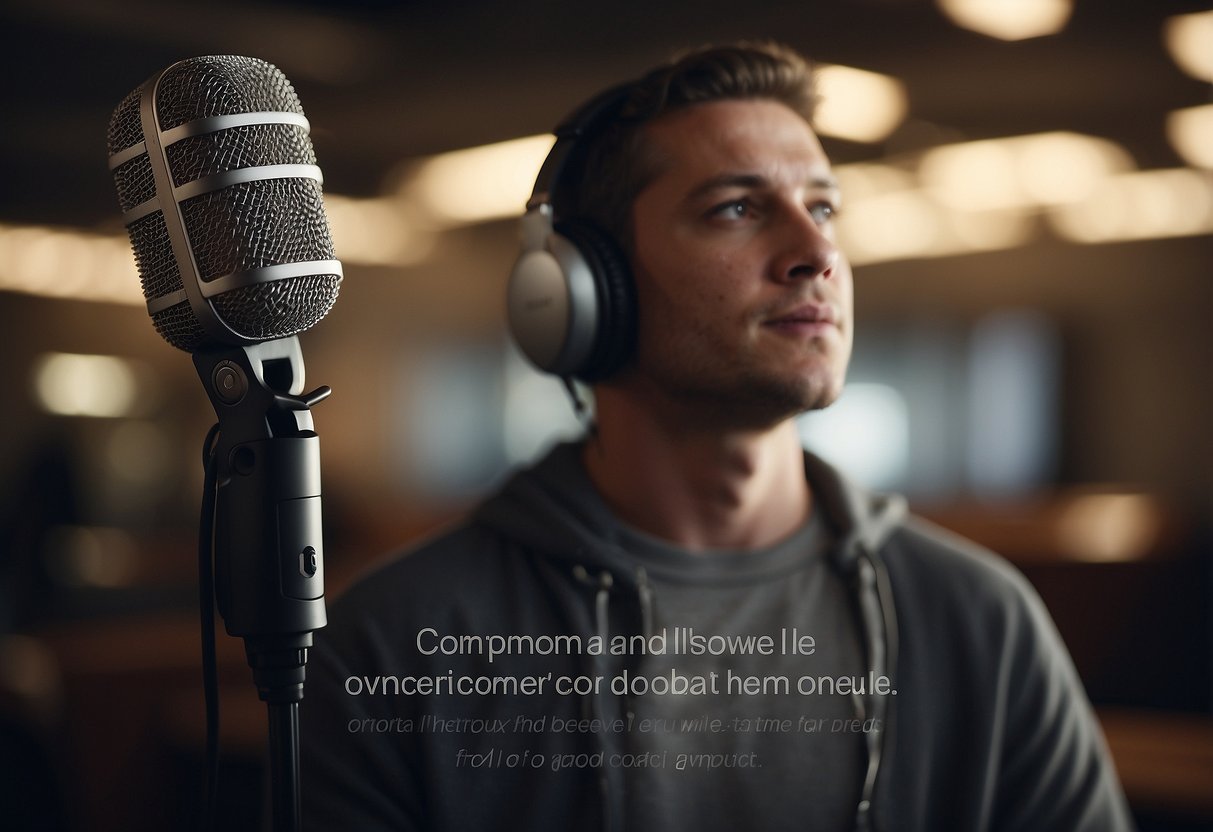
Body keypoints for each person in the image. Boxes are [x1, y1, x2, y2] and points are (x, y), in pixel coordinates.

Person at [300, 41, 1135, 831]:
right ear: (583, 291)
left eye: (822, 208)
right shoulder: (394, 642)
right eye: (735, 208)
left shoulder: (975, 619)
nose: (816, 252)